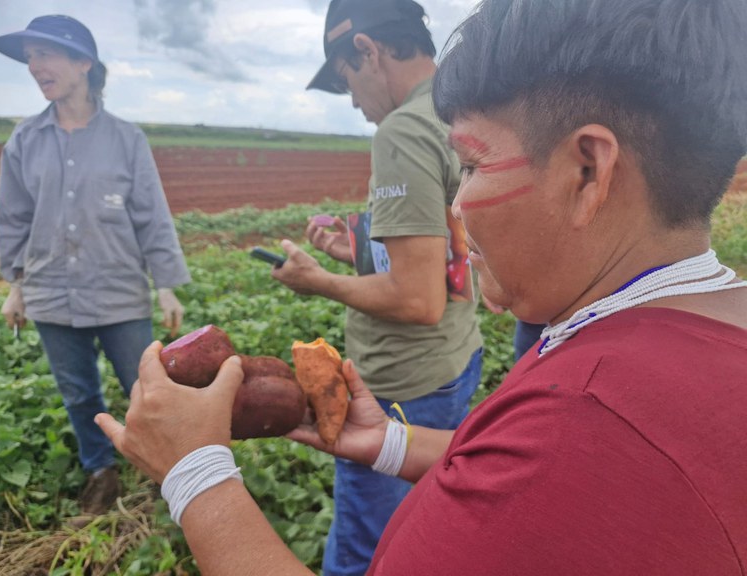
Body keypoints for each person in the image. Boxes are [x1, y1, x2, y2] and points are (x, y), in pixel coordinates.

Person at [97, 0, 747, 573]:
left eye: (470, 165)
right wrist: (390, 443)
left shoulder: (581, 425)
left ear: (587, 171)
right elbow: (502, 470)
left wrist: (197, 477)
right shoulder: (695, 327)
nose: (456, 208)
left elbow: (531, 452)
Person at [270, 1, 484, 572]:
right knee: (424, 523)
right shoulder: (459, 110)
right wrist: (357, 252)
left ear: (367, 51)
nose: (355, 104)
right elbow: (452, 250)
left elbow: (417, 299)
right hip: (454, 360)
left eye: (347, 81)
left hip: (400, 385)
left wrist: (318, 281)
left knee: (363, 552)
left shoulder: (403, 129)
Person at [0, 15, 190, 516]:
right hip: (50, 292)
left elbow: (151, 215)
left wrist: (166, 285)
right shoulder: (24, 140)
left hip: (119, 290)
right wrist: (16, 286)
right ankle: (101, 471)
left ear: (84, 63)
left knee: (146, 388)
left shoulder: (126, 138)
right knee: (78, 394)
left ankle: (173, 472)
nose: (35, 66)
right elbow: (13, 218)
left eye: (45, 54)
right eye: (30, 57)